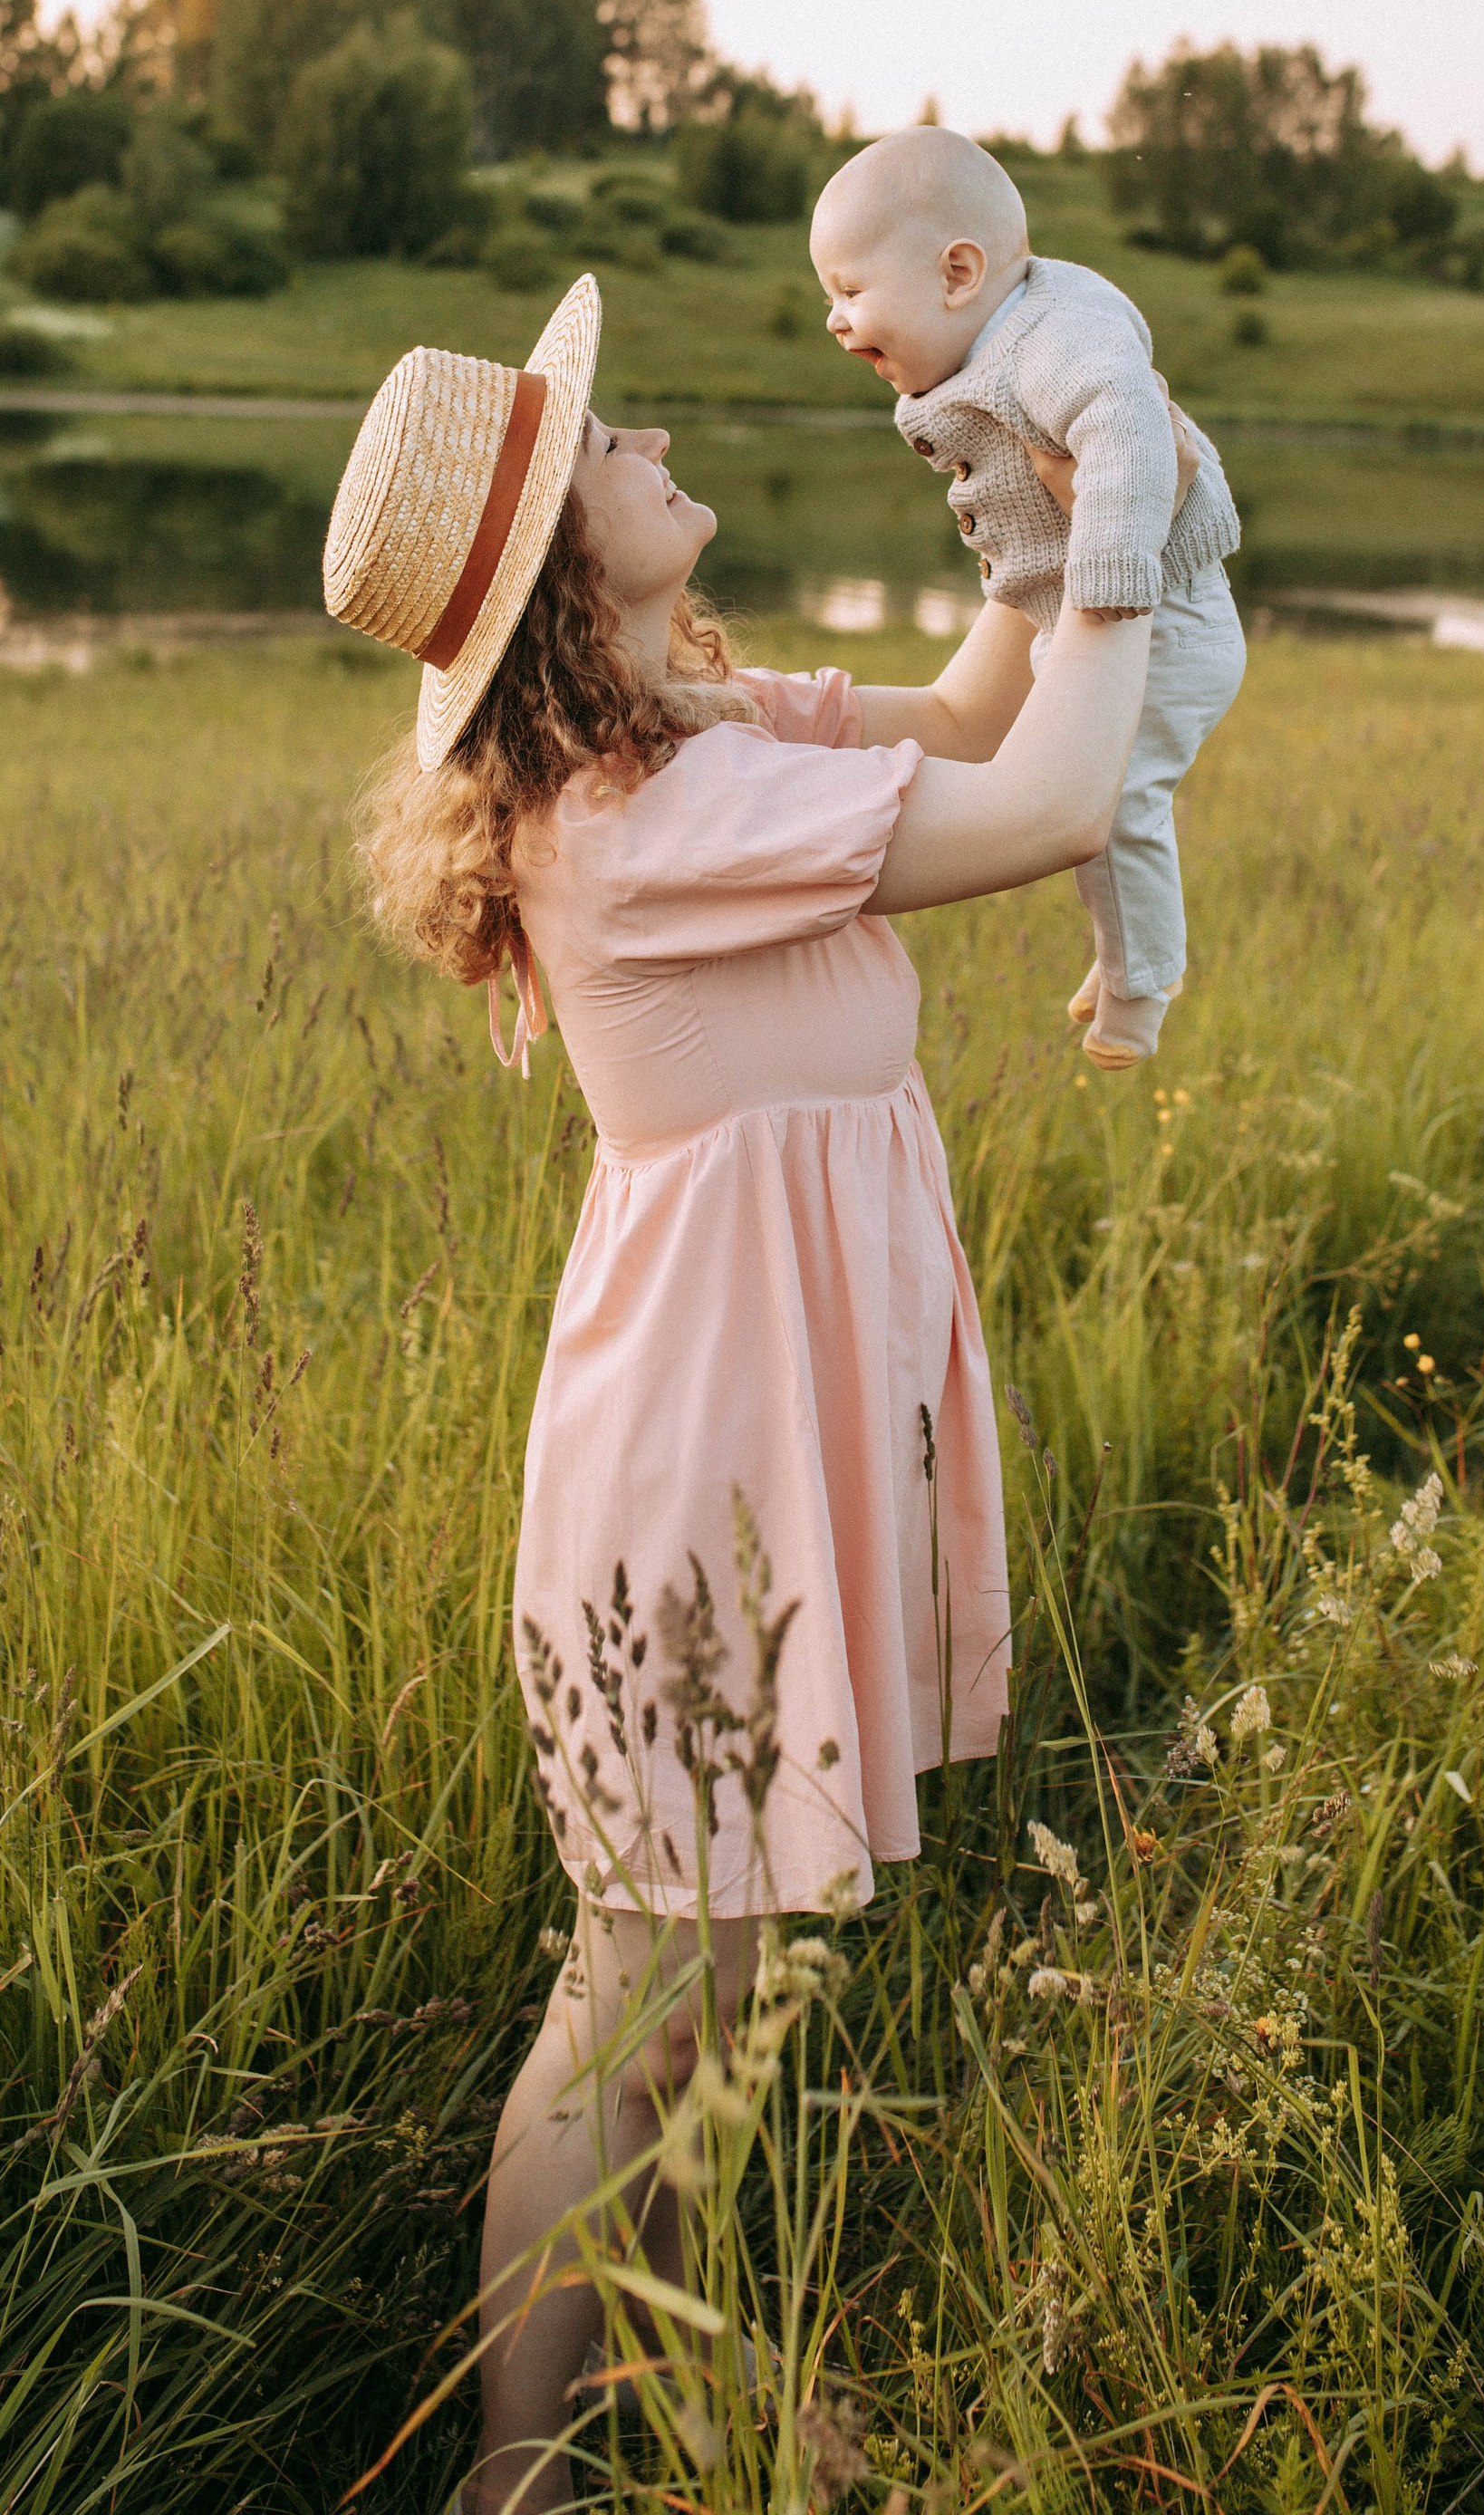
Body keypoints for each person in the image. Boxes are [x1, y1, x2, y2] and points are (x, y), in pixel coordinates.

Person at [323, 275, 1155, 2515]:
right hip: (698, 1453)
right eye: (603, 442)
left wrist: (1037, 503)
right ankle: (529, 2467)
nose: (645, 434)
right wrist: (1131, 537)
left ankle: (665, 2392)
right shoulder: (639, 818)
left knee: (709, 1959)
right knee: (647, 1973)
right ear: (557, 574)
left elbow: (986, 713)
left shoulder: (695, 734)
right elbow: (1063, 798)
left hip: (763, 1412)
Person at [811, 125, 1245, 1067]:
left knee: (1110, 800)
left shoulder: (1050, 341)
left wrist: (1107, 588)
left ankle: (1140, 985)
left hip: (1157, 619)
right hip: (1099, 613)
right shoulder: (1000, 334)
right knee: (1086, 794)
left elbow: (1128, 427)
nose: (836, 323)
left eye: (849, 292)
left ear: (958, 274)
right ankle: (1126, 950)